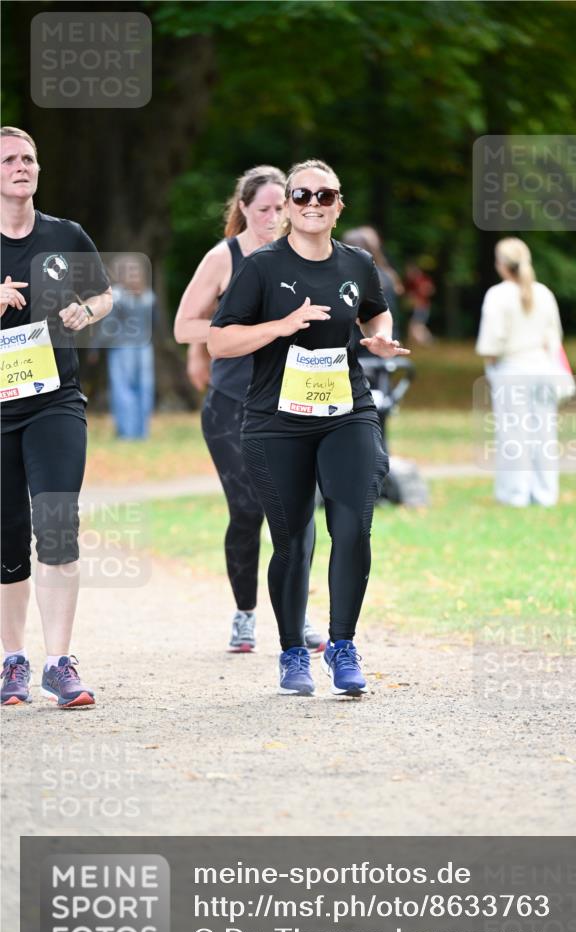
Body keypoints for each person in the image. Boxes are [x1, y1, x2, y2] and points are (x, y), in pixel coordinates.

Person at [208, 158, 409, 696]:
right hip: (277, 421)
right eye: (302, 196)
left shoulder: (358, 263)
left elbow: (375, 311)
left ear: (339, 206)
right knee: (293, 539)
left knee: (352, 526)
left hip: (347, 412)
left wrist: (380, 336)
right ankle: (294, 651)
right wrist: (282, 325)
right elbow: (220, 341)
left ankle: (342, 646)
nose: (314, 204)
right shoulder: (262, 267)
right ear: (289, 208)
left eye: (326, 196)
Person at [174, 166, 325, 654]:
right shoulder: (225, 257)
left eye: (282, 207)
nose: (274, 217)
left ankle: (296, 617)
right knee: (247, 510)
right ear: (242, 209)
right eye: (264, 209)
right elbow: (182, 327)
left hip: (290, 401)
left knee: (295, 513)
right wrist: (239, 331)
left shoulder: (302, 252)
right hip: (232, 405)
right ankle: (245, 614)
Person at [0, 126, 113, 707]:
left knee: (57, 524)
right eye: (10, 160)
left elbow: (105, 295)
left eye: (29, 159)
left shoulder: (65, 235)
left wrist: (83, 309)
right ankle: (12, 661)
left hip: (53, 401)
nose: (22, 166)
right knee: (8, 537)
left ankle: (57, 662)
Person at [476, 237, 565, 507]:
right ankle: (545, 492)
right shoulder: (544, 292)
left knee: (513, 434)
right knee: (544, 432)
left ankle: (515, 493)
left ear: (502, 264)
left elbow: (491, 342)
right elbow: (555, 336)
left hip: (511, 369)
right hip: (543, 367)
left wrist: (491, 366)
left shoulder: (497, 295)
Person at [104, 253, 156, 439]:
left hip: (121, 347)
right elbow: (154, 323)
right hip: (144, 347)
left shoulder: (116, 296)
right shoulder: (150, 296)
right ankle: (142, 432)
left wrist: (96, 347)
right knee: (145, 388)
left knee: (123, 388)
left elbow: (108, 326)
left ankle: (126, 432)